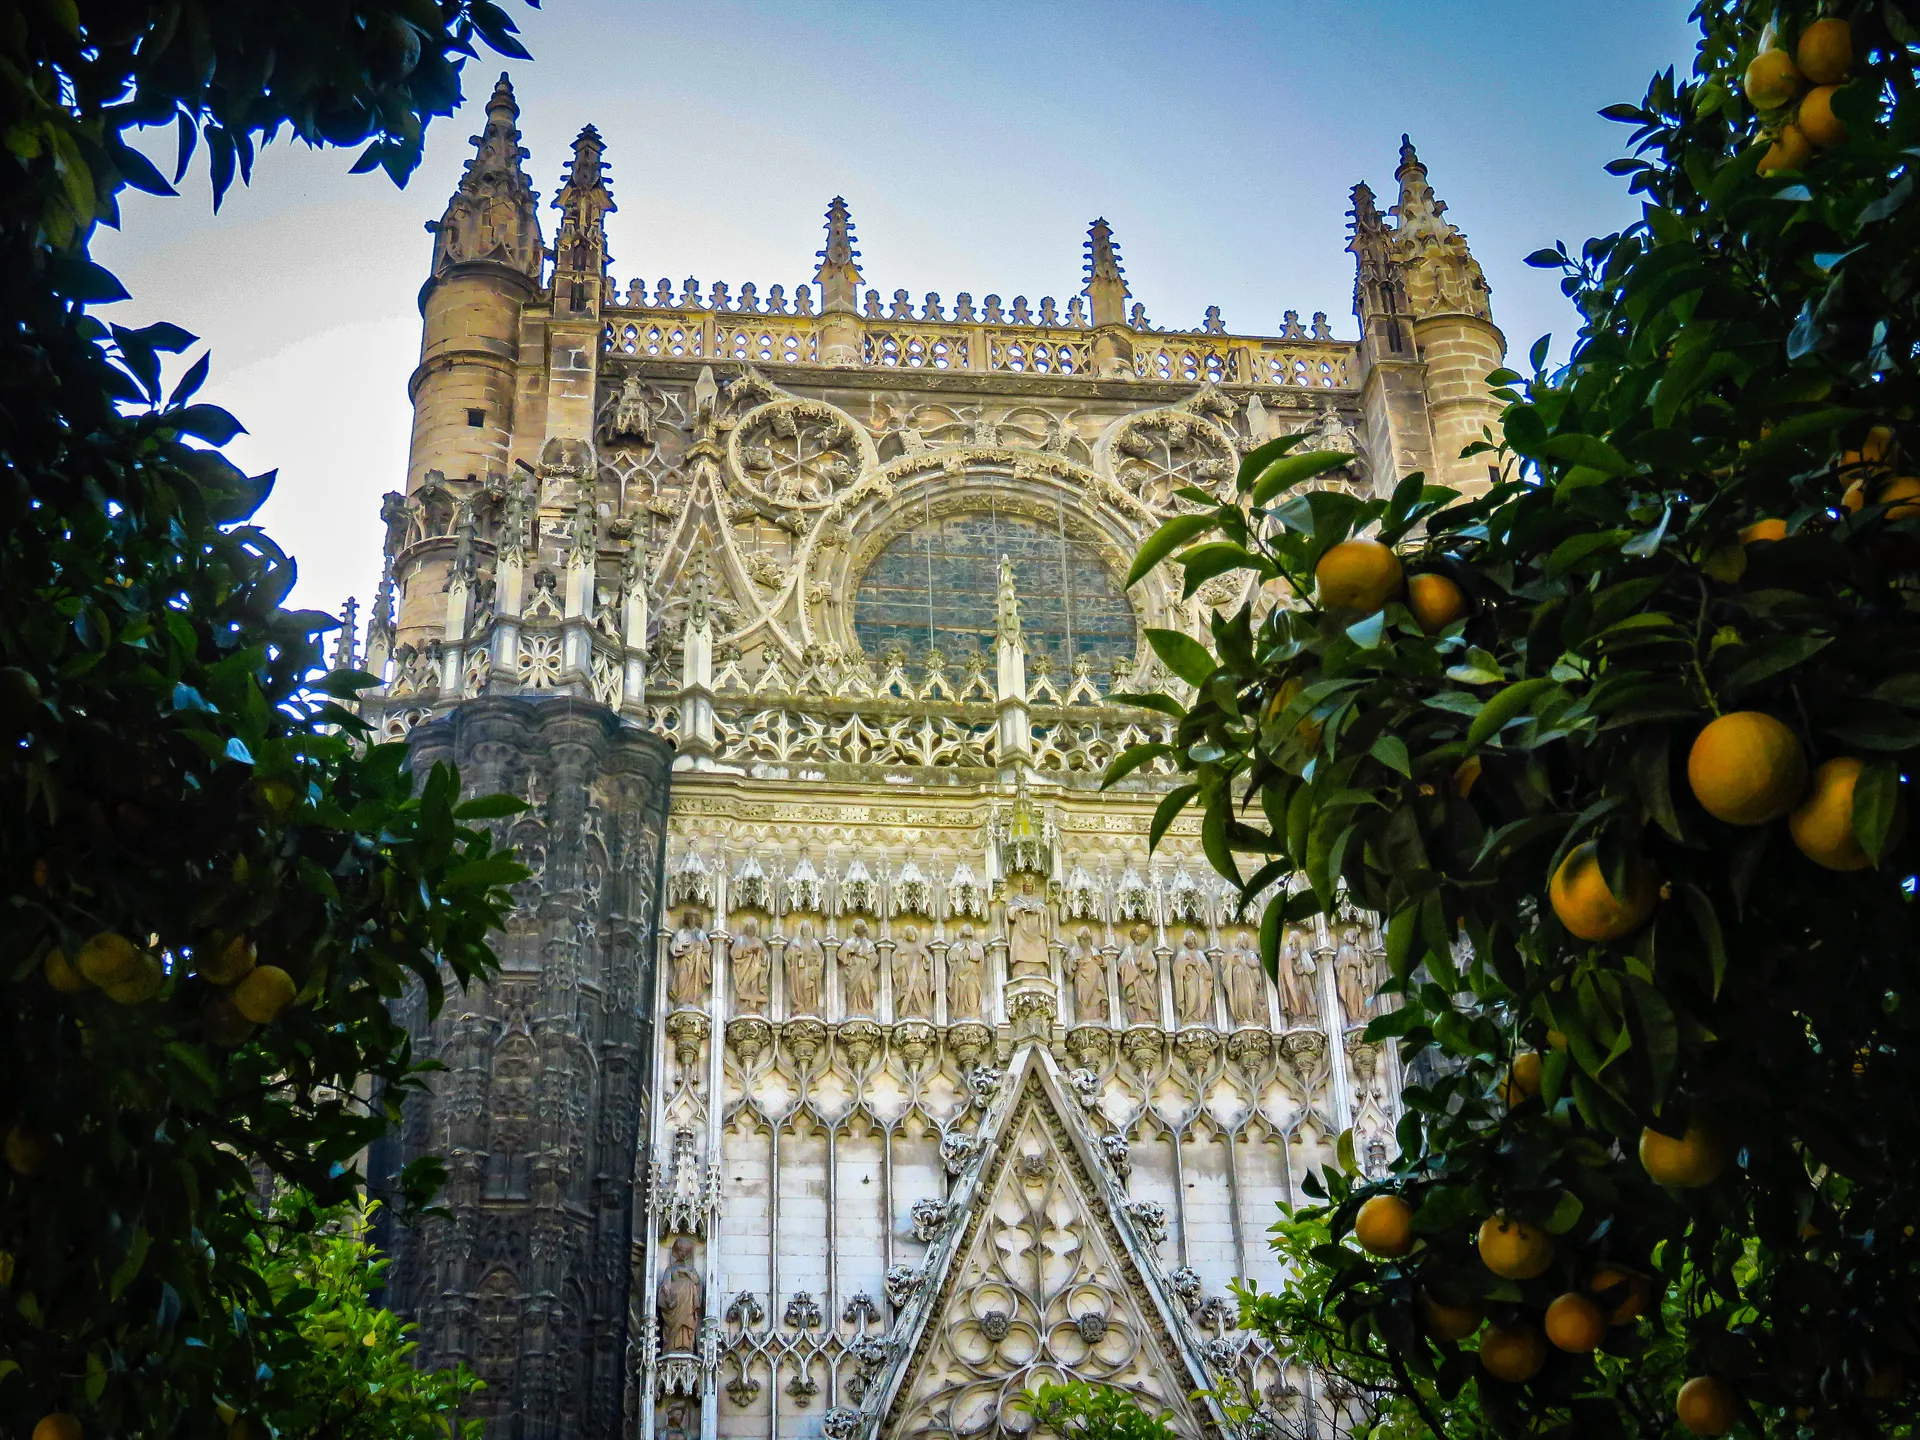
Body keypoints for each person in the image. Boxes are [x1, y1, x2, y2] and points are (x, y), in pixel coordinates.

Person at [1118, 924, 1159, 1026]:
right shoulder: (1129, 950)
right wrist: (1130, 966)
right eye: (1137, 936)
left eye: (1141, 936)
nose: (1138, 938)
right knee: (1133, 997)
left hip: (1144, 980)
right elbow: (1120, 963)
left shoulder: (1147, 950)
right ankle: (1136, 1017)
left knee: (1144, 994)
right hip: (1132, 980)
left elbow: (1153, 965)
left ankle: (1149, 1016)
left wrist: (1143, 964)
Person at [840, 916, 879, 1015]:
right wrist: (851, 951)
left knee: (866, 989)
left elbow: (875, 959)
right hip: (853, 970)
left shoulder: (869, 944)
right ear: (854, 929)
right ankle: (853, 1009)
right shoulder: (849, 942)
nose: (859, 929)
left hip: (865, 970)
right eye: (857, 927)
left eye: (861, 927)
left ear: (864, 929)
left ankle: (866, 1008)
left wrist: (866, 956)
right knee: (853, 990)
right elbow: (841, 954)